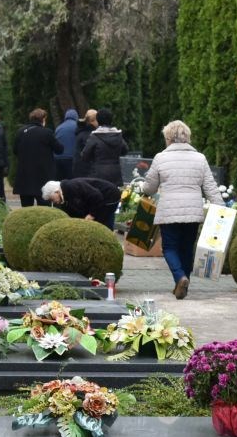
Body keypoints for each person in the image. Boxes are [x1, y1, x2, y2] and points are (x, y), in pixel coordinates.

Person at [141, 119, 222, 299]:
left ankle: (180, 277)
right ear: (187, 136)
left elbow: (149, 188)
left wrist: (143, 188)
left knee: (169, 247)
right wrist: (222, 209)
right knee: (186, 247)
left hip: (169, 211)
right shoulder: (200, 158)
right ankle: (183, 281)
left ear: (168, 137)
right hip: (192, 212)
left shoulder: (161, 157)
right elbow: (210, 186)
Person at [13, 109, 63, 207]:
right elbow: (59, 149)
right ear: (43, 119)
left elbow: (15, 151)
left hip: (25, 176)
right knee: (44, 206)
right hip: (42, 176)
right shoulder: (46, 133)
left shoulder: (21, 132)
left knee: (26, 208)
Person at [41, 178, 122, 231]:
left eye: (52, 199)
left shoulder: (72, 186)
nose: (53, 202)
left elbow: (96, 196)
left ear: (56, 191)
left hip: (109, 195)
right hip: (100, 198)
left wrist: (92, 214)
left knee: (102, 225)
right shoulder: (64, 195)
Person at [79, 108, 129, 185]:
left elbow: (84, 156)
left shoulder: (95, 136)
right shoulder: (117, 135)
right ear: (111, 120)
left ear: (98, 120)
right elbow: (125, 150)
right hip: (116, 173)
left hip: (98, 174)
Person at [54, 108, 80, 180]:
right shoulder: (77, 127)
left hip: (57, 159)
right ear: (76, 117)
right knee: (72, 182)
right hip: (71, 158)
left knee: (60, 182)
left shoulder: (59, 128)